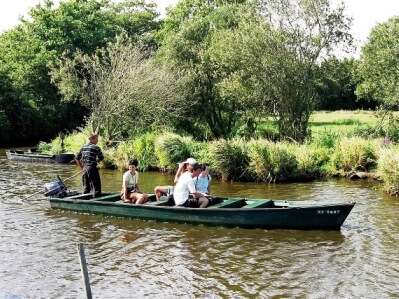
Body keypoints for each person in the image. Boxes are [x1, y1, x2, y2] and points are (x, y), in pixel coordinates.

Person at [75, 132, 104, 197]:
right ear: (92, 139)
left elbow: (77, 158)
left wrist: (82, 167)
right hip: (92, 168)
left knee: (86, 188)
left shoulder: (83, 147)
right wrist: (96, 161)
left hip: (85, 169)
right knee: (96, 189)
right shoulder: (96, 147)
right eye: (97, 139)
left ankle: (85, 200)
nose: (97, 140)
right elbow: (101, 157)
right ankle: (96, 202)